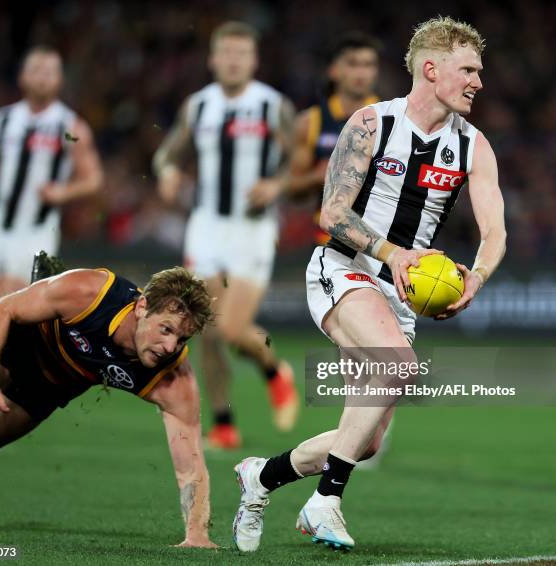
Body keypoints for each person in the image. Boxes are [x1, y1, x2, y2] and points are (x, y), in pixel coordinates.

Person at [232, 16, 507, 551]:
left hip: (400, 297)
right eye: (469, 69)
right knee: (399, 366)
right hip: (344, 267)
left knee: (368, 440)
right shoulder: (371, 124)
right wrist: (393, 253)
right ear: (432, 69)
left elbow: (495, 231)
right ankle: (325, 501)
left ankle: (261, 477)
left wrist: (476, 275)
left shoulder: (474, 146)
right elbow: (332, 212)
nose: (478, 81)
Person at [0, 261, 217, 548]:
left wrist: (197, 534)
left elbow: (190, 465)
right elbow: (3, 309)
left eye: (182, 338)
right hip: (14, 348)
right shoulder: (90, 293)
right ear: (141, 307)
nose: (170, 347)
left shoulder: (172, 377)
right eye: (166, 329)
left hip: (48, 388)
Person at [153, 21, 299, 449]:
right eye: (226, 53)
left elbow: (300, 161)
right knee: (207, 327)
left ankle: (274, 369)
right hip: (206, 228)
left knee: (233, 331)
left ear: (253, 60)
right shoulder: (199, 106)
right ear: (213, 59)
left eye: (242, 53)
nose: (233, 60)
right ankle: (223, 423)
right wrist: (166, 170)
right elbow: (169, 150)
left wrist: (276, 185)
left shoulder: (273, 106)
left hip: (252, 230)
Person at [0, 46, 103, 313]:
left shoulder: (69, 126)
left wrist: (62, 193)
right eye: (36, 70)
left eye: (50, 72)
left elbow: (94, 178)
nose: (42, 77)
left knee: (10, 304)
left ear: (60, 80)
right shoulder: (4, 120)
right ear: (22, 77)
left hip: (36, 230)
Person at [250, 32, 380, 246]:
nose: (361, 73)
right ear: (334, 71)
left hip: (380, 239)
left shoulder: (392, 118)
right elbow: (292, 190)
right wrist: (316, 177)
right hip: (329, 241)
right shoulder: (311, 122)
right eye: (353, 64)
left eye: (368, 65)